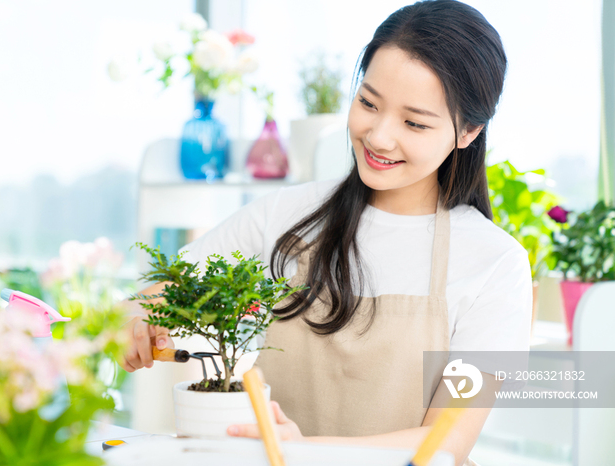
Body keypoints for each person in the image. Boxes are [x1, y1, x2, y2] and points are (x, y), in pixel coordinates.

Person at [120, 1, 532, 464]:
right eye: (368, 103)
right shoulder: (287, 214)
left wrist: (302, 451)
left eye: (414, 122)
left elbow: (447, 442)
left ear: (469, 131)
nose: (378, 136)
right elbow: (160, 290)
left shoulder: (496, 264)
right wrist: (135, 317)